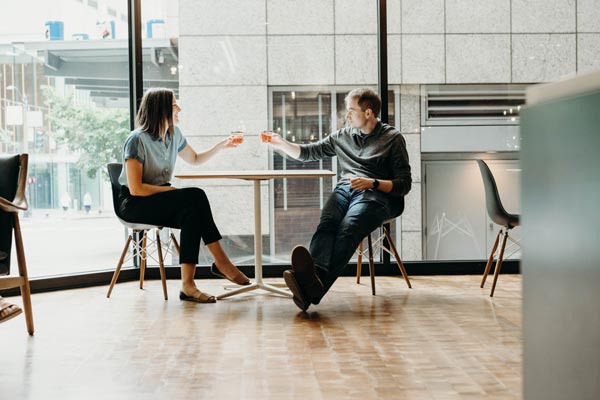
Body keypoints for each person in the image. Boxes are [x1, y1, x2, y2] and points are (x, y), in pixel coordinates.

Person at [263, 88, 411, 311]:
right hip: (346, 189)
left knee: (348, 228)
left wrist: (373, 182)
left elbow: (404, 184)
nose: (347, 116)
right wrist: (281, 143)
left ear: (368, 113)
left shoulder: (392, 139)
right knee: (327, 224)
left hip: (377, 196)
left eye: (351, 111)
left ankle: (311, 286)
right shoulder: (343, 136)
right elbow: (308, 153)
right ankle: (313, 284)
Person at [117, 87, 250, 303]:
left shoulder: (174, 135)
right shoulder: (137, 140)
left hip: (158, 199)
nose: (179, 108)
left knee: (192, 213)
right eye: (174, 104)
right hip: (134, 203)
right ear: (160, 109)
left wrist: (221, 146)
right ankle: (222, 263)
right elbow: (136, 190)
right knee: (195, 196)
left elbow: (195, 159)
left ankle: (188, 285)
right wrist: (169, 190)